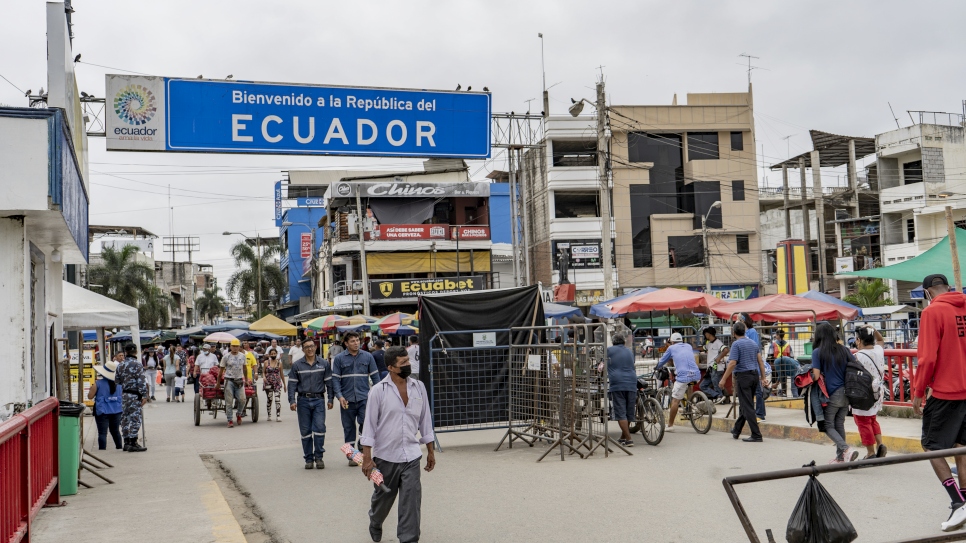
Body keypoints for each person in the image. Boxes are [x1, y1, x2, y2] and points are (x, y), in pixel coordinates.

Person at [360, 346, 435, 543]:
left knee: (411, 502)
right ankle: (375, 521)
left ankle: (408, 539)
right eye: (403, 363)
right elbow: (368, 426)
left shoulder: (419, 387)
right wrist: (367, 458)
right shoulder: (378, 391)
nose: (408, 365)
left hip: (411, 455)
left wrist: (430, 450)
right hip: (386, 456)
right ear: (390, 367)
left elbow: (425, 421)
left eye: (408, 361)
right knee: (383, 499)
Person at [912, 274, 966, 531]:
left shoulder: (932, 312)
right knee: (961, 446)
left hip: (947, 392)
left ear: (927, 292)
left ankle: (958, 502)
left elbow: (927, 359)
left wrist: (918, 391)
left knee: (932, 446)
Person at [810, 322, 858, 463]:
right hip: (847, 393)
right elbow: (854, 364)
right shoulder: (844, 349)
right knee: (839, 424)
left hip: (833, 394)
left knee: (827, 425)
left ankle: (846, 449)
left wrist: (806, 376)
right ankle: (840, 458)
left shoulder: (818, 352)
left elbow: (816, 376)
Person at [333, 331, 381, 465]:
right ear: (346, 343)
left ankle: (361, 448)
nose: (356, 343)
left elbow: (376, 377)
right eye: (352, 341)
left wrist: (379, 395)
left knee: (365, 424)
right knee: (348, 427)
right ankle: (351, 456)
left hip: (364, 398)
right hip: (346, 399)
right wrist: (339, 396)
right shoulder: (339, 359)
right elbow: (335, 380)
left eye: (357, 340)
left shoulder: (368, 357)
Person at [288, 340, 335, 469]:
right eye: (306, 347)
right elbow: (291, 384)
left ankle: (319, 457)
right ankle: (308, 459)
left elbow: (329, 383)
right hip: (303, 401)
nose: (310, 349)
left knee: (320, 428)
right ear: (303, 349)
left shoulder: (324, 364)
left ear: (315, 347)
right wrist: (292, 401)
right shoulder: (297, 365)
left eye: (311, 346)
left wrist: (330, 399)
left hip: (319, 400)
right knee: (305, 431)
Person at [720, 322, 767, 442]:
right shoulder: (753, 343)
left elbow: (732, 363)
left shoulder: (736, 344)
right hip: (754, 375)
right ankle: (737, 430)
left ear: (734, 333)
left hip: (743, 377)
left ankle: (756, 435)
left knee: (747, 406)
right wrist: (763, 377)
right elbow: (760, 362)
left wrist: (724, 379)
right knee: (746, 404)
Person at [655, 332, 702, 433]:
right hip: (696, 375)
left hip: (683, 377)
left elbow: (663, 360)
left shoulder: (671, 348)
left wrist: (657, 367)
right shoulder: (688, 346)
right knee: (688, 386)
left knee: (675, 400)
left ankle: (670, 425)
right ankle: (689, 407)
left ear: (671, 341)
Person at [852, 325, 887, 460]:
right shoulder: (879, 351)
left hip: (863, 393)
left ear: (859, 340)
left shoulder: (857, 356)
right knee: (872, 419)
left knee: (862, 421)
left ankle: (870, 452)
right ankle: (880, 444)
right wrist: (874, 329)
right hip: (878, 392)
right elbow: (881, 340)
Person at [115, 343, 147, 452]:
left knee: (125, 418)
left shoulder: (120, 365)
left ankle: (126, 442)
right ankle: (133, 442)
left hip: (124, 394)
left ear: (126, 352)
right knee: (135, 418)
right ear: (136, 352)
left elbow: (117, 381)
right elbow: (141, 382)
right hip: (135, 395)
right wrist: (144, 395)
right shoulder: (138, 365)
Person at [607, 334, 637, 446]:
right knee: (629, 412)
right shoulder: (629, 351)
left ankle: (629, 439)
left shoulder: (608, 350)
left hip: (617, 383)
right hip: (632, 382)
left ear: (613, 342)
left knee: (620, 413)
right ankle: (623, 437)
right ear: (624, 342)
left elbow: (600, 365)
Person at [88, 356, 123, 450]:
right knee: (115, 431)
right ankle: (119, 448)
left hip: (102, 411)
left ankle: (102, 450)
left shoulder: (98, 384)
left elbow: (90, 397)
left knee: (102, 433)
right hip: (117, 410)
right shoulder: (120, 384)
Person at [219, 339, 250, 428]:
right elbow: (221, 371)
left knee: (243, 399)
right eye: (234, 346)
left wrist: (247, 380)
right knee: (229, 401)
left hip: (239, 380)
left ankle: (239, 413)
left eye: (237, 346)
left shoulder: (243, 356)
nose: (235, 348)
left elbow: (245, 368)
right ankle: (230, 420)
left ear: (239, 347)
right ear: (230, 347)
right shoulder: (226, 357)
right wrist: (218, 383)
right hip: (229, 380)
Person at [742, 315, 767, 421]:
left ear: (743, 320)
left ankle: (760, 413)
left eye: (739, 319)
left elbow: (755, 349)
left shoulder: (751, 332)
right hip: (747, 367)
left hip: (754, 366)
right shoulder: (744, 333)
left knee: (758, 391)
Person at [698, 327, 729, 404]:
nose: (705, 336)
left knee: (716, 383)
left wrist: (719, 358)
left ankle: (720, 397)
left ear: (708, 334)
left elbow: (726, 350)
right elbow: (703, 348)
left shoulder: (718, 343)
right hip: (710, 369)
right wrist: (691, 347)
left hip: (716, 367)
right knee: (703, 386)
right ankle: (718, 396)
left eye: (705, 334)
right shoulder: (709, 344)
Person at [770, 330, 800, 397]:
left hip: (778, 364)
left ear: (778, 335)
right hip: (787, 366)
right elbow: (792, 356)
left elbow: (770, 356)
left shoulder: (773, 345)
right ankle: (784, 393)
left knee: (779, 379)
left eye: (776, 335)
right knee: (784, 381)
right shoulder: (788, 345)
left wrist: (776, 384)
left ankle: (775, 394)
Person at [263, 347, 286, 422]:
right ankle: (269, 415)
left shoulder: (279, 363)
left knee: (277, 399)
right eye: (272, 354)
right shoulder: (266, 362)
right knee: (269, 399)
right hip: (268, 382)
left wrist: (285, 384)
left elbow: (282, 374)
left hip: (277, 383)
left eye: (274, 353)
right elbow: (263, 372)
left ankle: (278, 415)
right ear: (269, 354)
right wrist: (264, 377)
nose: (273, 355)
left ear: (277, 354)